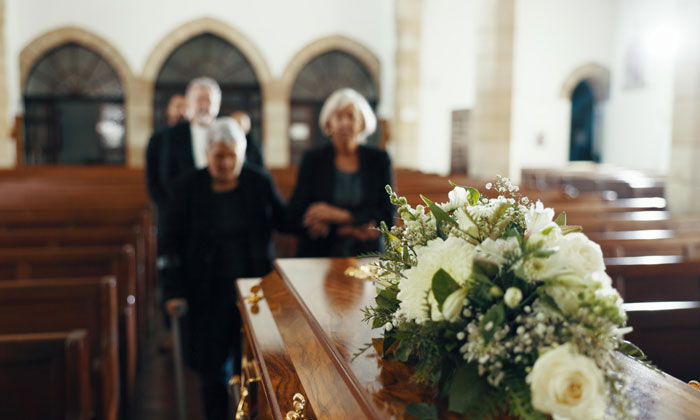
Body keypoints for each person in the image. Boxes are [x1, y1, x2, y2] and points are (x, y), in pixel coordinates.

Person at [160, 117, 288, 420]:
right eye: (219, 155)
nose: (227, 162)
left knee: (253, 366)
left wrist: (323, 216)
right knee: (211, 368)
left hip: (253, 291)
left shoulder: (258, 181)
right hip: (205, 290)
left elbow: (285, 218)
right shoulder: (186, 187)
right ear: (206, 154)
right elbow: (169, 245)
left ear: (243, 154)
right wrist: (172, 291)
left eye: (233, 155)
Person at [287, 87, 394, 257]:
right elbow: (296, 214)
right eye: (339, 117)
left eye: (351, 116)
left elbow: (387, 216)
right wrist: (349, 229)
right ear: (328, 124)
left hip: (368, 253)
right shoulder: (313, 160)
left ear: (362, 123)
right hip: (321, 251)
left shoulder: (379, 160)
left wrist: (338, 216)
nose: (345, 123)